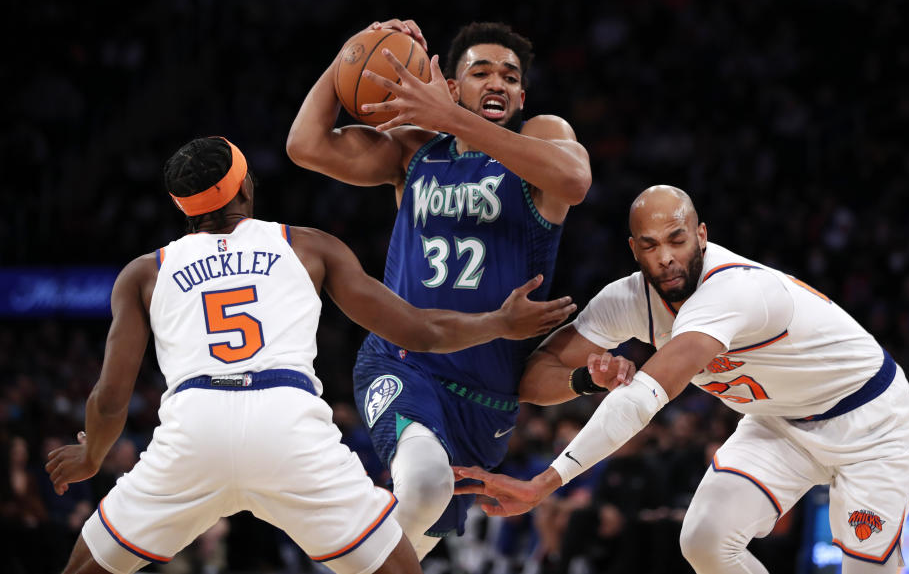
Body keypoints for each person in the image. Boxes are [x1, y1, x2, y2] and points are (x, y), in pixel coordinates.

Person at [43, 136, 576, 574]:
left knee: (85, 566)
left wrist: (91, 457)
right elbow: (420, 329)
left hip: (193, 428)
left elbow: (110, 399)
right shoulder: (307, 246)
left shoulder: (145, 271)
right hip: (287, 425)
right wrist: (499, 324)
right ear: (246, 186)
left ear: (181, 206)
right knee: (398, 567)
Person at [454, 185, 909, 573]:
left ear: (701, 235)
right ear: (634, 249)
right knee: (705, 540)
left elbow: (643, 400)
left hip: (868, 419)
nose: (667, 258)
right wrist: (586, 380)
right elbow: (534, 374)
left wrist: (546, 482)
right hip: (778, 420)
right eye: (651, 245)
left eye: (677, 239)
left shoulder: (731, 290)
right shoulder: (628, 300)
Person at [287, 18, 591, 556]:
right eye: (480, 72)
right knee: (425, 485)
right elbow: (305, 145)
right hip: (404, 361)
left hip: (487, 393)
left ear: (523, 95)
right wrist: (350, 56)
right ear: (449, 85)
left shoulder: (542, 137)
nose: (497, 82)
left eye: (509, 75)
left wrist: (454, 119)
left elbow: (574, 181)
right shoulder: (414, 151)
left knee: (419, 530)